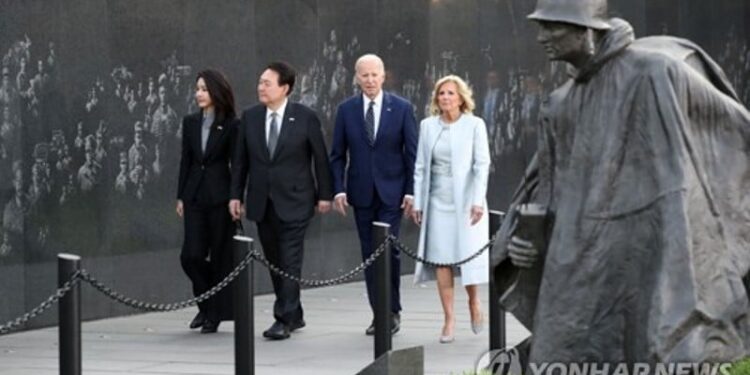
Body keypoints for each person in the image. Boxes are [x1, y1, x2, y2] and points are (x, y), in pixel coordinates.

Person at [493, 0, 750, 365]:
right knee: (555, 358)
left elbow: (731, 132)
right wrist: (524, 240)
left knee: (655, 353)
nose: (541, 37)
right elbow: (546, 191)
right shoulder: (560, 103)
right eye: (540, 26)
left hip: (647, 253)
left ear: (587, 31)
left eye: (553, 27)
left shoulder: (655, 71)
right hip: (574, 266)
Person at [230, 61, 333, 340]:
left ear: (284, 88)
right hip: (263, 202)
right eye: (260, 82)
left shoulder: (304, 117)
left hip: (297, 201)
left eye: (267, 83)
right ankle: (295, 313)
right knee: (275, 259)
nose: (260, 87)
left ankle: (283, 318)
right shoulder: (250, 117)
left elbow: (320, 158)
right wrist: (235, 196)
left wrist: (325, 194)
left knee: (290, 259)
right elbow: (240, 161)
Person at [329, 54, 418, 335]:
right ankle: (379, 313)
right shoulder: (346, 110)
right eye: (364, 75)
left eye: (374, 75)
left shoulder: (402, 108)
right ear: (356, 78)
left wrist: (411, 192)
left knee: (389, 252)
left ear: (383, 76)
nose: (369, 80)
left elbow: (412, 154)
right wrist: (339, 189)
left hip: (392, 193)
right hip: (361, 194)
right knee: (370, 254)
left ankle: (392, 310)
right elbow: (337, 155)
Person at [411, 75, 490, 344]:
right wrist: (419, 203)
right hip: (437, 200)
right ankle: (449, 319)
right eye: (441, 93)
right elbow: (421, 166)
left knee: (466, 255)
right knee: (442, 259)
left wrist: (478, 200)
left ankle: (474, 302)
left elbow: (482, 165)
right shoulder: (427, 126)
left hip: (467, 200)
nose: (445, 98)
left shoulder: (475, 125)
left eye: (450, 93)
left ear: (461, 98)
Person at [176, 69, 239, 334]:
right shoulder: (190, 122)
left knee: (221, 256)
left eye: (204, 89)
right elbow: (186, 161)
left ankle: (213, 313)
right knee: (191, 255)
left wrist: (236, 197)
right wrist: (180, 195)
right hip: (194, 197)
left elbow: (237, 164)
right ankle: (206, 303)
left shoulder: (232, 123)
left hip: (221, 198)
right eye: (197, 89)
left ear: (215, 91)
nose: (199, 94)